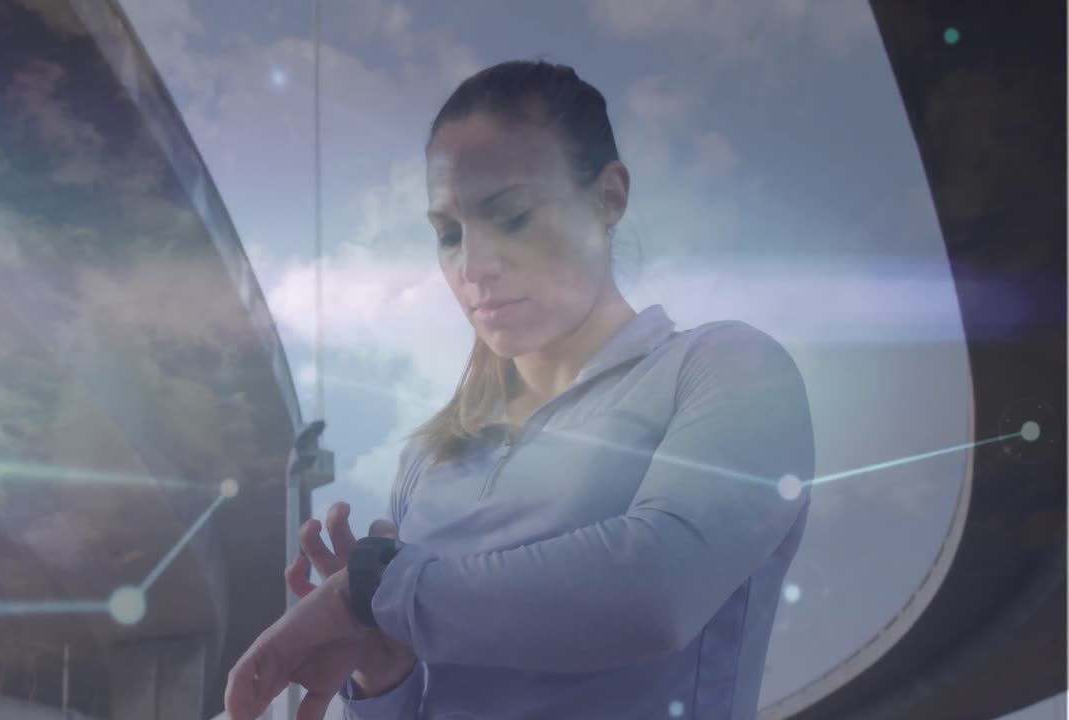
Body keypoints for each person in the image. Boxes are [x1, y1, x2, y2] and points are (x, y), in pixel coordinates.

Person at [224, 59, 813, 720]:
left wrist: (364, 594)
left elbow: (653, 595)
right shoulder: (428, 462)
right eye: (449, 235)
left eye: (511, 217)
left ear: (608, 198)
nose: (473, 267)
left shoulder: (727, 369)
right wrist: (381, 667)